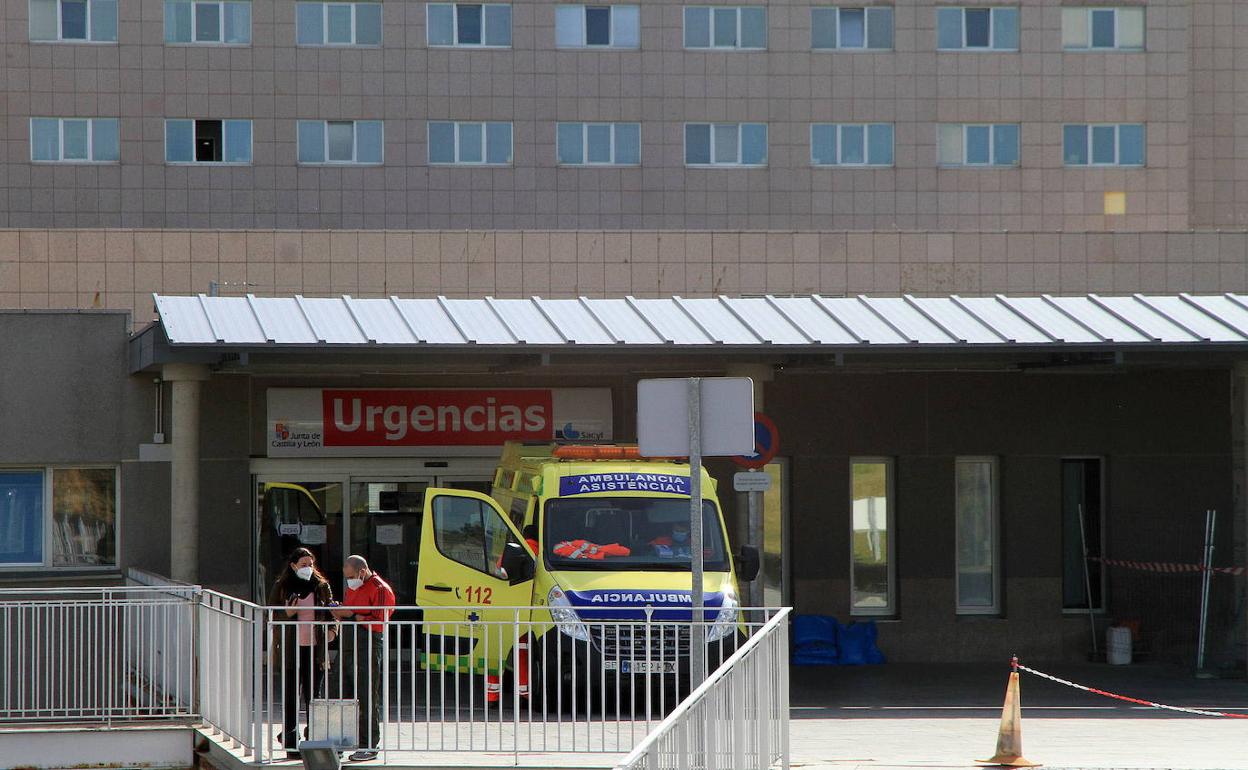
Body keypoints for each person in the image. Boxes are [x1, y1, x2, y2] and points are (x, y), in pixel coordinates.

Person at [267, 547, 336, 759]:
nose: (308, 568)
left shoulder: (321, 586)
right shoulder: (282, 586)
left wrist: (333, 630)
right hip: (290, 650)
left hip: (315, 650)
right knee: (291, 697)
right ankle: (290, 742)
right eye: (304, 564)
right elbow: (270, 614)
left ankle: (313, 739)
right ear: (293, 566)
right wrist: (287, 613)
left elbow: (331, 612)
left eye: (311, 564)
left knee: (314, 697)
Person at [332, 555, 395, 762]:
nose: (349, 580)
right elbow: (352, 611)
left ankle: (369, 744)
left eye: (351, 576)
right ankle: (340, 742)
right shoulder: (353, 587)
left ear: (361, 571)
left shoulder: (380, 588)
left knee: (368, 695)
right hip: (349, 643)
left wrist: (353, 615)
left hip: (368, 643)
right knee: (341, 693)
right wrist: (340, 612)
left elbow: (380, 621)